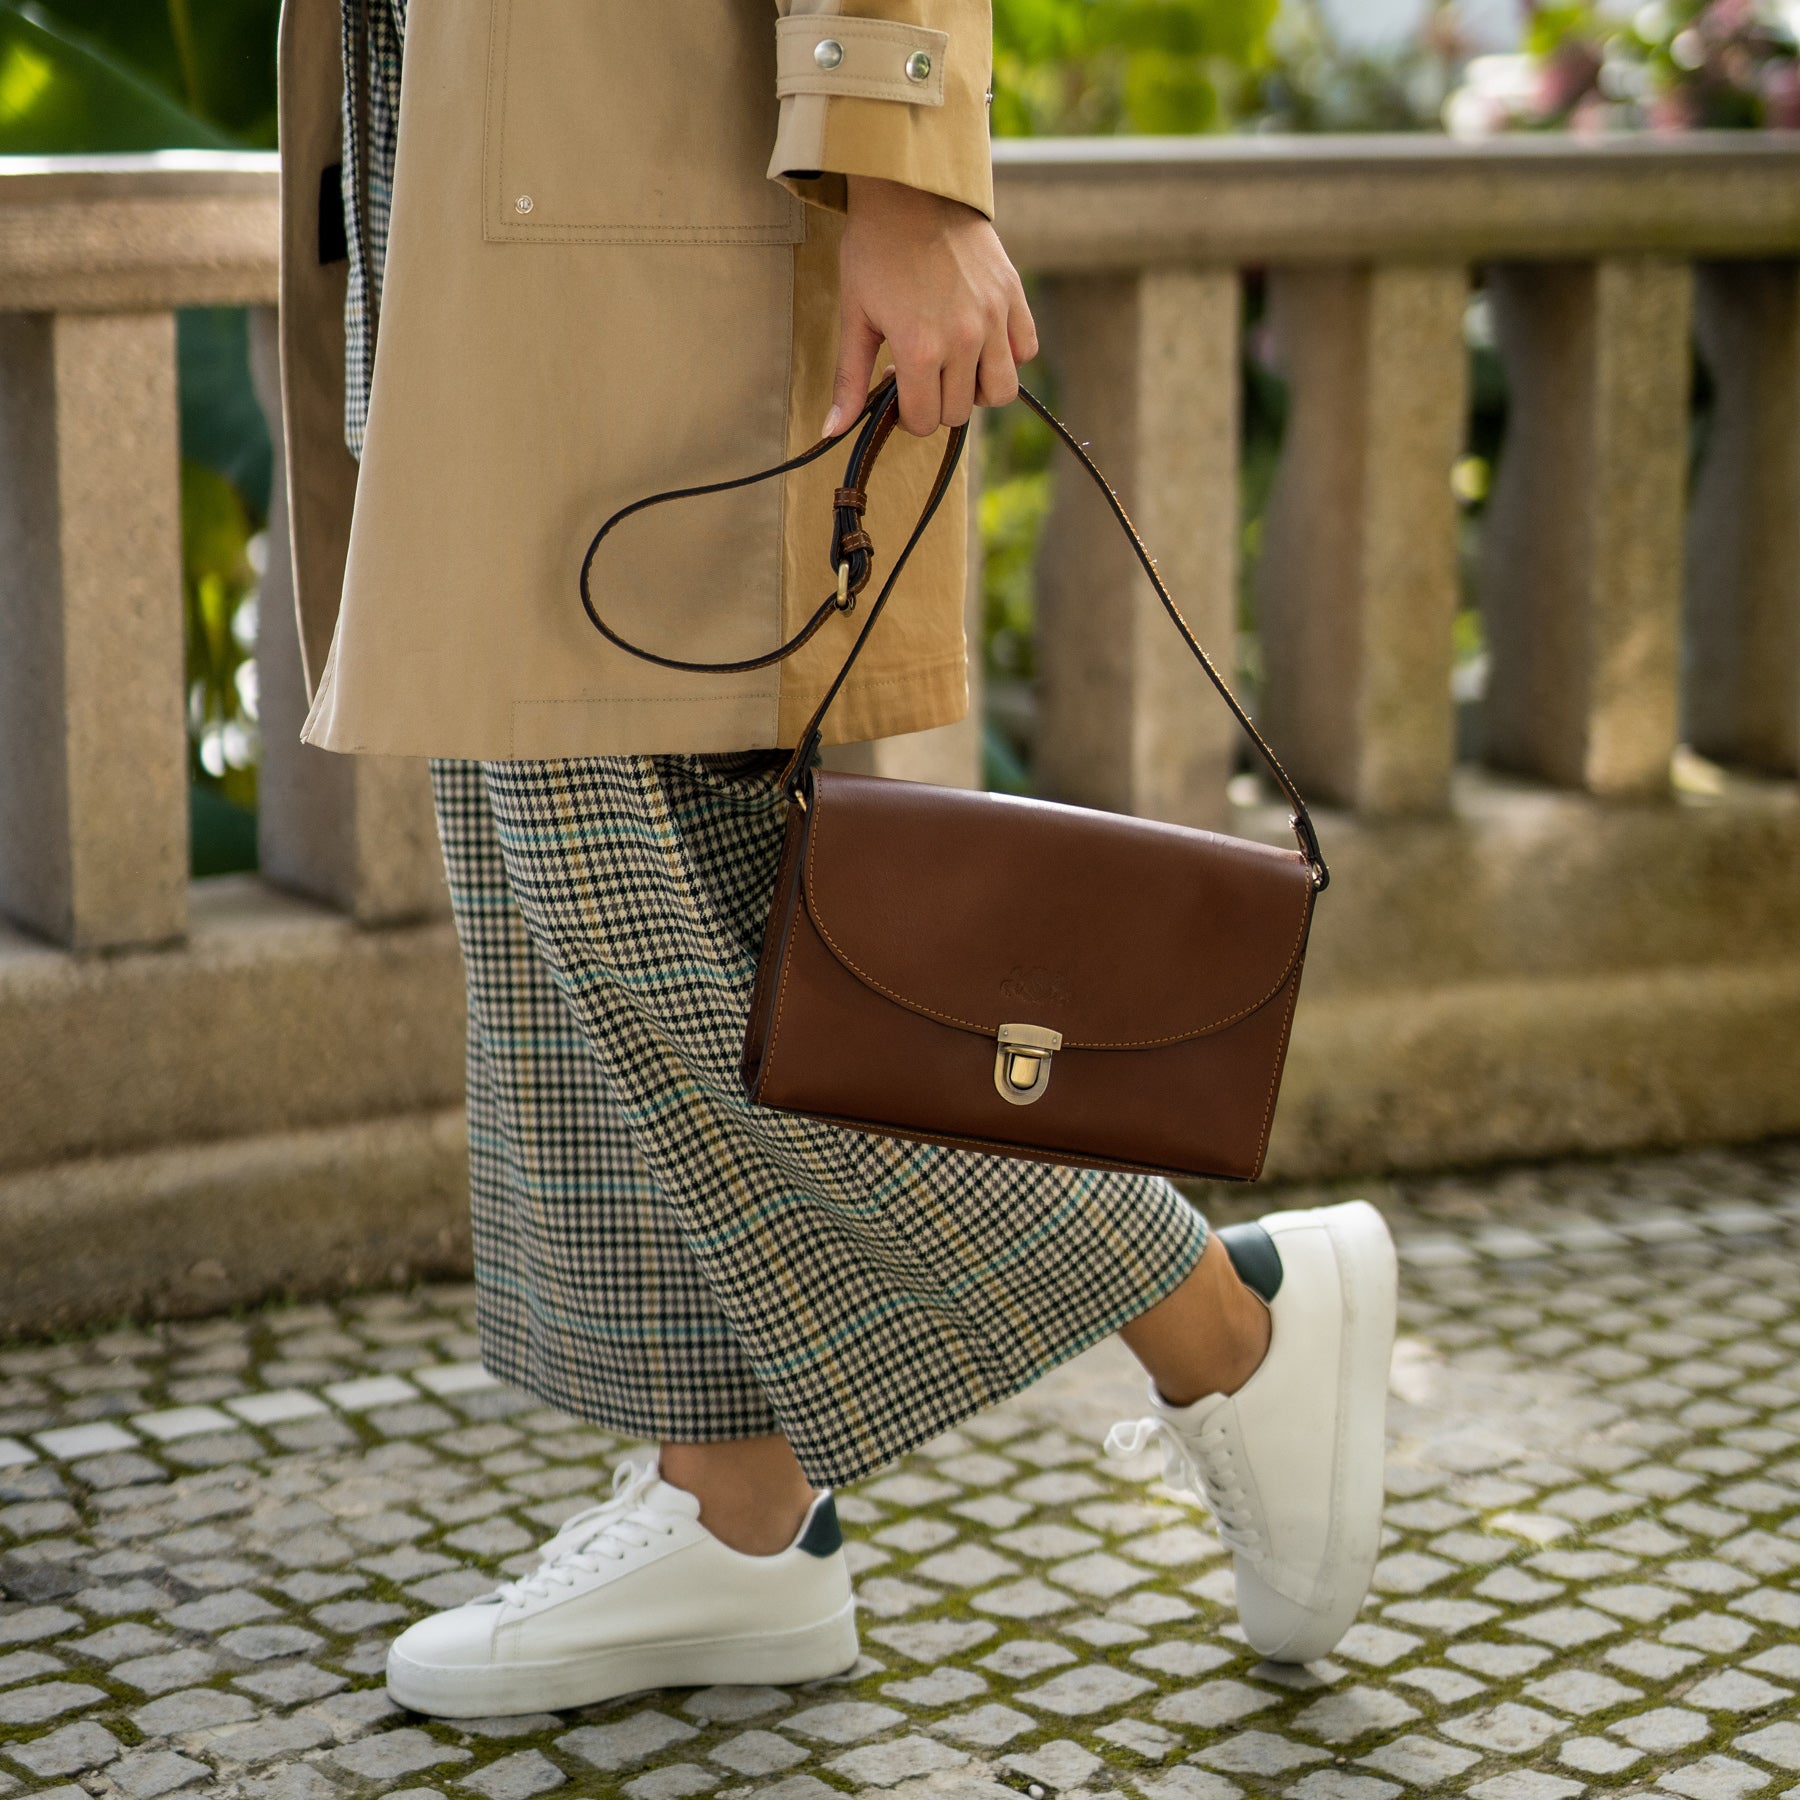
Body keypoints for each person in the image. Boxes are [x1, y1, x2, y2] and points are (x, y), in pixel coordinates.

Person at [274, 0, 1398, 1721]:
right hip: (460, 101)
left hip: (643, 118)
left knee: (604, 849)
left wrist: (905, 156)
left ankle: (1216, 1316)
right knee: (586, 840)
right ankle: (734, 1511)